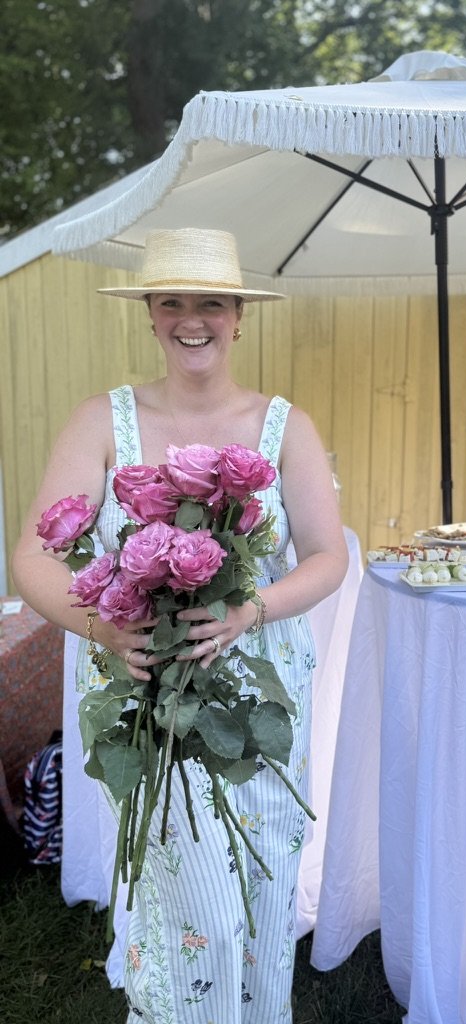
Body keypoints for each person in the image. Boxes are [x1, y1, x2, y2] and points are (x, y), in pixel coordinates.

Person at [11, 227, 349, 1023]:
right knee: (192, 893)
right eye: (172, 303)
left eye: (211, 304)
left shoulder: (284, 427)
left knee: (263, 875)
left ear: (239, 317)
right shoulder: (103, 419)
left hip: (263, 684)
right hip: (156, 693)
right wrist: (104, 629)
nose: (190, 319)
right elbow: (31, 556)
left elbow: (328, 556)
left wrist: (248, 608)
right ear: (150, 315)